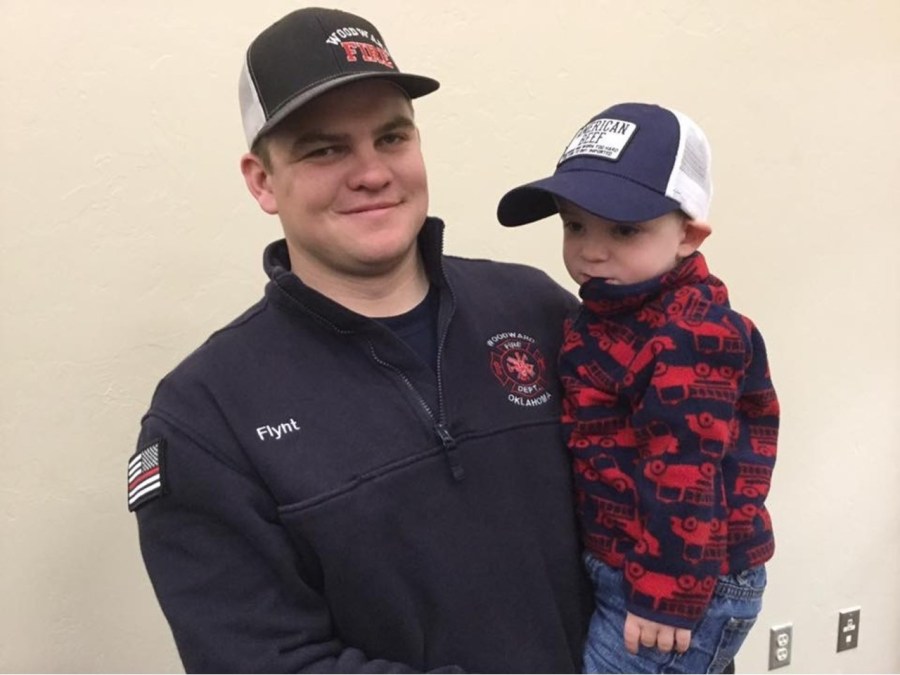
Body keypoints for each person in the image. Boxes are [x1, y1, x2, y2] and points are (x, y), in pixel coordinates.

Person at [127, 7, 592, 673]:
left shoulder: (538, 310)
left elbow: (668, 495)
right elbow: (267, 662)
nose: (372, 173)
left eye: (391, 137)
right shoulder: (206, 417)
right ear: (262, 180)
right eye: (326, 149)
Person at [496, 102, 779, 673]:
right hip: (627, 564)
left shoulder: (690, 334)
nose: (591, 250)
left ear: (688, 235)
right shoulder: (609, 310)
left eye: (624, 229)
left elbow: (686, 469)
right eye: (574, 225)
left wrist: (667, 593)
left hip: (680, 581)